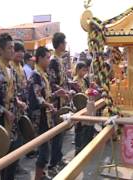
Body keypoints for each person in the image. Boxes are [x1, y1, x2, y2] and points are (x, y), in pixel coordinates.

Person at [0, 33, 26, 180]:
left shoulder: (12, 69)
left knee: (13, 157)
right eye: (9, 48)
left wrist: (17, 102)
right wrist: (4, 111)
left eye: (13, 47)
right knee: (4, 159)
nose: (12, 50)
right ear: (0, 51)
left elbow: (13, 93)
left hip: (13, 118)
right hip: (2, 119)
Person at [28, 46, 64, 180]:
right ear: (41, 58)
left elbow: (46, 94)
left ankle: (41, 174)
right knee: (44, 150)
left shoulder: (43, 74)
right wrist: (48, 104)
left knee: (45, 148)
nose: (49, 60)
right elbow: (37, 97)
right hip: (40, 117)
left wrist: (56, 93)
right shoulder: (35, 75)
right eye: (47, 58)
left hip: (46, 116)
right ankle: (38, 176)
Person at [48, 32, 75, 175]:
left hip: (63, 100)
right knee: (57, 133)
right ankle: (53, 164)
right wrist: (62, 90)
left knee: (62, 132)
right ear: (59, 44)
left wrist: (71, 84)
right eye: (64, 42)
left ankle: (58, 159)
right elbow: (52, 83)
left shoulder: (60, 59)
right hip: (57, 102)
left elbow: (63, 80)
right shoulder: (53, 60)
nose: (65, 45)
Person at [72, 62, 95, 155]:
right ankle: (78, 149)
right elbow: (77, 95)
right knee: (79, 129)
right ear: (77, 70)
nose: (84, 72)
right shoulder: (75, 81)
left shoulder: (85, 80)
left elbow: (88, 90)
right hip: (79, 107)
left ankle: (85, 147)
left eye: (86, 70)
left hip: (86, 107)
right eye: (83, 70)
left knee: (87, 127)